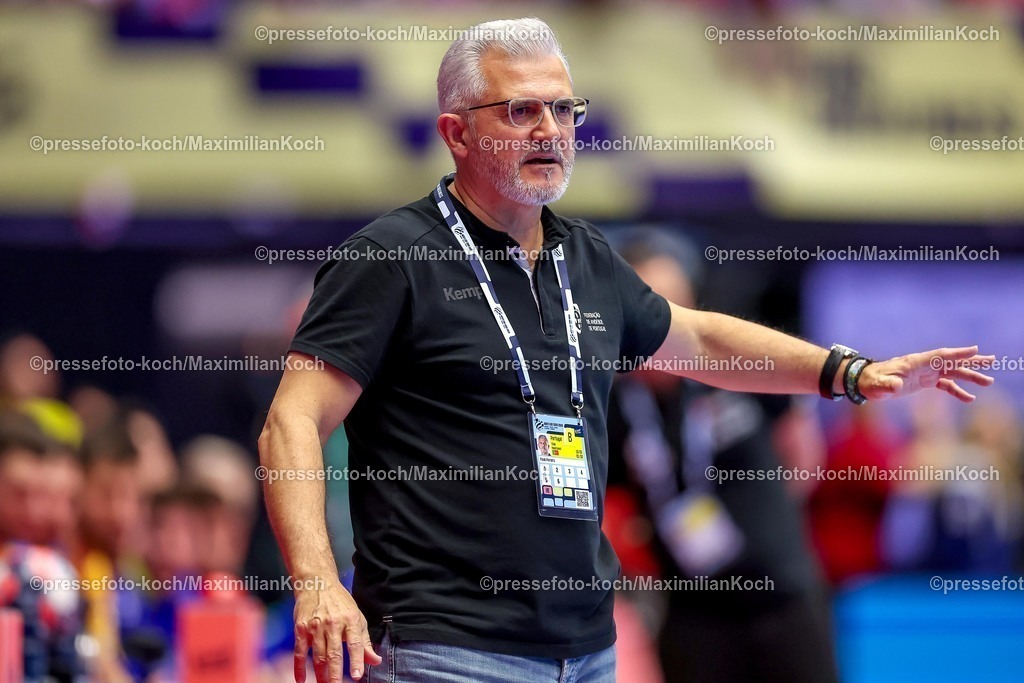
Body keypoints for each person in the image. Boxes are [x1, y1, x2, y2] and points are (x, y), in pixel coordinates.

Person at [258, 17, 994, 683]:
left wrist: (848, 372)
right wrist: (317, 583)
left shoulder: (585, 256)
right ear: (457, 133)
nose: (550, 130)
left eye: (563, 109)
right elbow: (290, 423)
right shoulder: (391, 258)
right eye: (521, 110)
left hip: (584, 653)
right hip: (447, 651)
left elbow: (700, 338)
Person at [605, 227, 838, 682]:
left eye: (677, 304)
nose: (666, 322)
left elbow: (801, 441)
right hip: (694, 614)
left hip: (783, 597)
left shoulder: (735, 367)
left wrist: (775, 516)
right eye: (653, 307)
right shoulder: (615, 406)